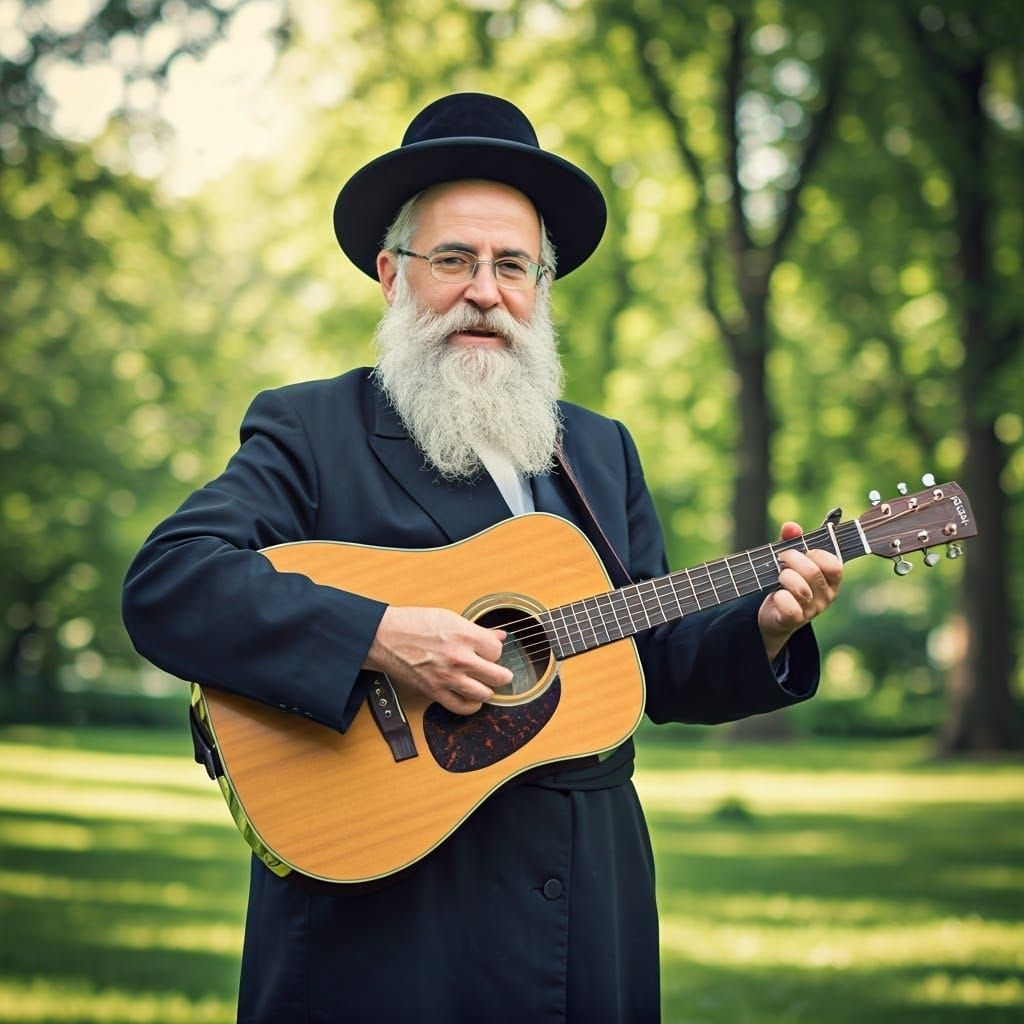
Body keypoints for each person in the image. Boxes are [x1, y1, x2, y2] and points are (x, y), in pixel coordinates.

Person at [122, 93, 842, 1024]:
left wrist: (766, 627)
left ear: (541, 288)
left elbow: (652, 664)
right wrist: (376, 635)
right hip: (390, 917)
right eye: (453, 259)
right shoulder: (311, 427)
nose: (485, 290)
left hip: (586, 905)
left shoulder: (598, 449)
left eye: (513, 266)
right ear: (391, 275)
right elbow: (171, 581)